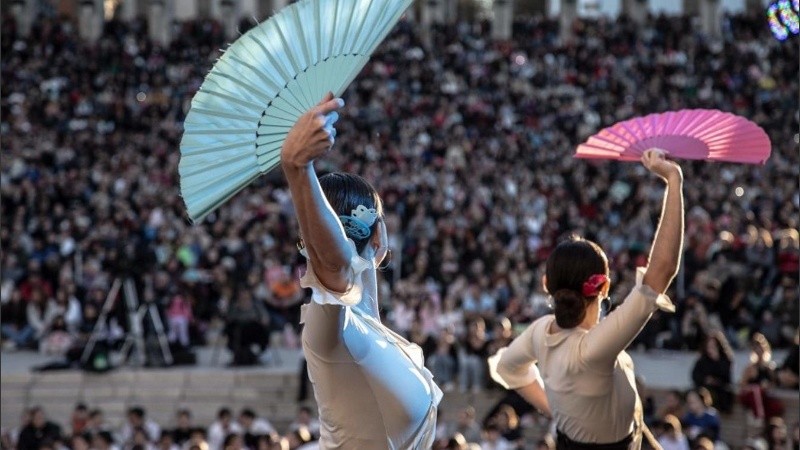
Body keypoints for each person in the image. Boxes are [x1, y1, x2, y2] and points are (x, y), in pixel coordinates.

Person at [489, 149, 684, 449]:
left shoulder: (541, 332)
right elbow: (662, 270)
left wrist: (556, 409)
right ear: (604, 287)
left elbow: (507, 368)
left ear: (546, 285)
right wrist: (673, 178)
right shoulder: (591, 348)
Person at [281, 93, 442, 449]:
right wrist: (298, 168)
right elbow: (336, 268)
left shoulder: (366, 329)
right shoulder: (331, 325)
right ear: (380, 235)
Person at [690, 331, 734, 413]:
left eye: (713, 346)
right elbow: (695, 375)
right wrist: (705, 379)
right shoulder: (702, 360)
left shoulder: (725, 360)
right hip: (704, 387)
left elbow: (726, 376)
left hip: (720, 390)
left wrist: (717, 360)